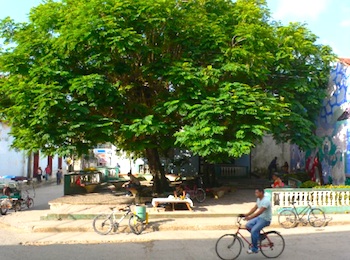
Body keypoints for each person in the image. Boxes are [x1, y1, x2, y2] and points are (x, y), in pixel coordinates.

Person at [244, 188, 272, 254]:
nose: (255, 194)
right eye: (255, 192)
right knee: (248, 225)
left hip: (265, 219)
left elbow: (259, 212)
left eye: (257, 192)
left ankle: (255, 248)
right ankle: (259, 236)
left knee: (254, 230)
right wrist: (246, 214)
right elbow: (254, 208)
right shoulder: (259, 199)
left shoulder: (266, 201)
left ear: (261, 193)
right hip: (260, 218)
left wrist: (250, 217)